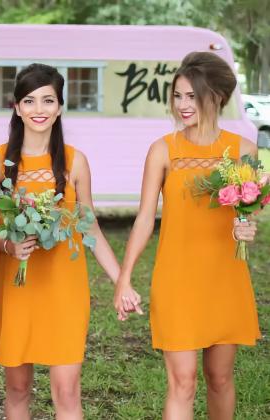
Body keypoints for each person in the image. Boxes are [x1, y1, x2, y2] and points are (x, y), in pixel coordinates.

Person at [113, 51, 261, 420]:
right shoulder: (163, 150)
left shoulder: (244, 151)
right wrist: (124, 278)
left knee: (221, 378)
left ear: (216, 96)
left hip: (225, 279)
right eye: (177, 96)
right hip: (176, 279)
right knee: (183, 383)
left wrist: (248, 226)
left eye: (191, 96)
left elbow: (250, 211)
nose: (182, 105)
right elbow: (145, 218)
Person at [0, 63, 120, 420]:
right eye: (29, 101)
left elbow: (90, 229)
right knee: (17, 389)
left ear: (60, 107)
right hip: (18, 290)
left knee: (67, 391)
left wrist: (121, 281)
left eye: (48, 100)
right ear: (16, 107)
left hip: (64, 289)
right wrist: (9, 246)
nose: (39, 110)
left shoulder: (75, 162)